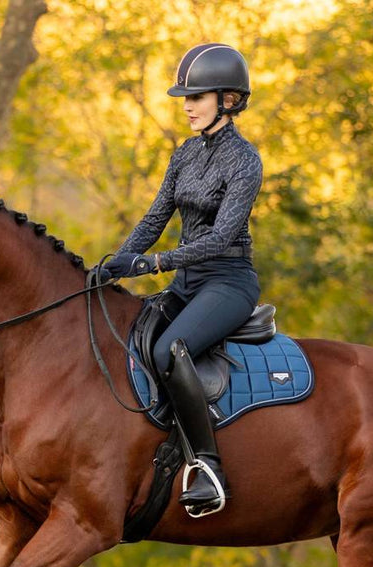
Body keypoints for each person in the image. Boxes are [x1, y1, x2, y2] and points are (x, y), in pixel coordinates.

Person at [100, 42, 262, 518]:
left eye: (197, 97)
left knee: (172, 349)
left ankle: (208, 467)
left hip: (228, 281)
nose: (187, 107)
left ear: (227, 100)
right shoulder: (185, 154)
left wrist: (154, 264)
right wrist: (116, 262)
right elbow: (155, 219)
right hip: (188, 282)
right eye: (185, 99)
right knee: (134, 339)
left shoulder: (245, 160)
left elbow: (220, 238)